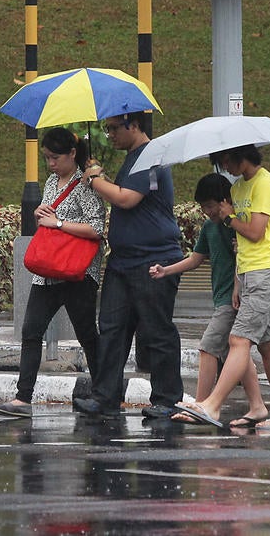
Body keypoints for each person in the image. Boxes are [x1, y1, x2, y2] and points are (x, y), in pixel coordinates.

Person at [175, 146, 270, 429]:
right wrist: (237, 281)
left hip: (267, 270)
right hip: (248, 273)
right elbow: (241, 243)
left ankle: (212, 405)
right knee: (268, 346)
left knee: (238, 340)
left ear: (240, 156)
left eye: (225, 161)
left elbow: (255, 232)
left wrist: (231, 217)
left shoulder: (265, 183)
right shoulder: (240, 187)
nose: (224, 168)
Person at [72, 112, 185, 419]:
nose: (109, 135)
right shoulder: (133, 157)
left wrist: (95, 179)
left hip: (153, 259)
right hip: (123, 261)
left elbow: (127, 199)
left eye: (112, 128)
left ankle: (167, 398)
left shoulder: (151, 156)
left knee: (157, 330)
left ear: (132, 124)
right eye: (106, 129)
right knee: (111, 329)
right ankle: (105, 396)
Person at [0, 128, 105, 418]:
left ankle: (104, 392)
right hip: (48, 270)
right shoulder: (53, 181)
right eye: (46, 158)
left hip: (77, 272)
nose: (51, 164)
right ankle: (23, 397)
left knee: (87, 334)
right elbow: (50, 221)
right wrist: (42, 216)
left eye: (55, 157)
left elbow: (97, 228)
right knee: (31, 331)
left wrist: (58, 223)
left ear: (72, 154)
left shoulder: (87, 184)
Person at [150, 172, 269, 428]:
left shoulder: (233, 224)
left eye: (210, 206)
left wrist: (238, 288)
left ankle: (202, 404)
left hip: (232, 298)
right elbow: (196, 258)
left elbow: (243, 257)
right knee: (240, 353)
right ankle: (257, 405)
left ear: (224, 201)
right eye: (203, 207)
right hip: (223, 297)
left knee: (208, 347)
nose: (207, 212)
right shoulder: (209, 227)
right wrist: (166, 270)